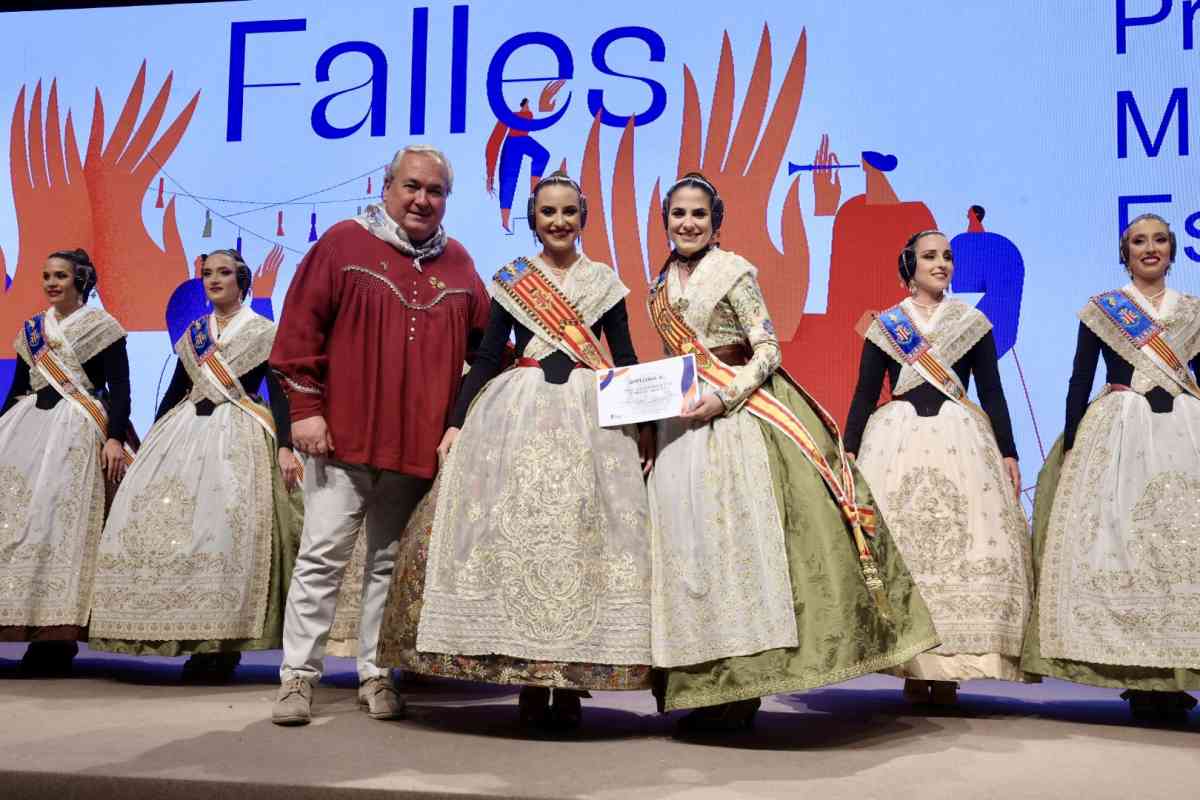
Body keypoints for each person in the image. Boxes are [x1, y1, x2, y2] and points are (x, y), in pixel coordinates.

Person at [645, 173, 939, 732]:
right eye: (678, 214)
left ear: (716, 224)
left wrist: (724, 396)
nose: (688, 223)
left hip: (736, 422)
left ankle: (743, 691)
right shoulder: (658, 284)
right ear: (665, 222)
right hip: (681, 428)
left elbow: (768, 350)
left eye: (699, 214)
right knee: (690, 555)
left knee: (740, 553)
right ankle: (701, 687)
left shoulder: (734, 272)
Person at [376, 171, 655, 730]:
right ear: (534, 219)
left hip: (588, 420)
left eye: (569, 212)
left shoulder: (604, 282)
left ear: (582, 218)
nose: (559, 221)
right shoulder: (511, 280)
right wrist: (456, 423)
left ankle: (569, 679)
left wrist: (645, 426)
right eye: (548, 212)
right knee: (520, 541)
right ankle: (528, 677)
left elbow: (623, 358)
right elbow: (484, 358)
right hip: (516, 414)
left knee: (579, 543)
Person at [268, 145, 489, 725]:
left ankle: (375, 674)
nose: (422, 200)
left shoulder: (460, 264)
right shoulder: (343, 243)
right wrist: (305, 411)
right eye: (412, 186)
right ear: (386, 187)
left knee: (388, 565)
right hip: (341, 439)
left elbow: (489, 349)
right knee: (321, 559)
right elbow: (298, 332)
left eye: (435, 191)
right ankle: (297, 678)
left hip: (415, 449)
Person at [88, 250, 303, 682]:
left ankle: (222, 646)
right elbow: (175, 390)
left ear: (243, 281)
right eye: (207, 274)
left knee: (226, 531)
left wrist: (285, 445)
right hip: (185, 431)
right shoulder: (195, 334)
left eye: (223, 273)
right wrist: (150, 441)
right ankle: (184, 634)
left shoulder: (264, 332)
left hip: (239, 432)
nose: (213, 279)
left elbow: (279, 394)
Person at [1023, 214, 1200, 722]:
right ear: (1125, 253)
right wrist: (1072, 440)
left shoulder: (1192, 312)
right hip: (1120, 430)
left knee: (1181, 549)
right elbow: (1080, 377)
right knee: (1124, 545)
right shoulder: (1104, 309)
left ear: (1172, 250)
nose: (1150, 248)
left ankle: (1179, 674)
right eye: (1139, 241)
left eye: (1159, 240)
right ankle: (1138, 676)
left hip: (1185, 429)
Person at [844, 231, 1033, 704]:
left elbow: (992, 391)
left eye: (947, 256)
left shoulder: (971, 322)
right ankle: (913, 663)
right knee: (906, 551)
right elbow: (865, 393)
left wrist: (1009, 451)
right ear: (909, 265)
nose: (942, 263)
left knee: (961, 545)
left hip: (960, 438)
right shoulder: (887, 326)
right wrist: (848, 451)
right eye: (930, 256)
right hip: (896, 440)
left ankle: (949, 670)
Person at [0, 249, 131, 675]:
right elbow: (17, 389)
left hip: (78, 427)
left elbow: (121, 389)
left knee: (61, 524)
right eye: (46, 276)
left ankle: (56, 637)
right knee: (15, 519)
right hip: (28, 427)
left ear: (80, 281)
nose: (51, 283)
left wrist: (115, 437)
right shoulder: (32, 331)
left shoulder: (103, 327)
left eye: (60, 276)